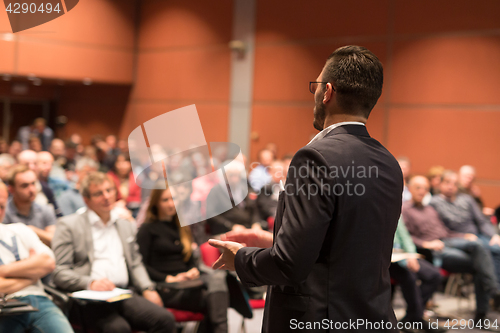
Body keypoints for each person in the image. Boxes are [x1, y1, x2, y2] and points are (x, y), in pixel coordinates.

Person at [209, 45, 403, 332]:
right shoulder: (388, 162)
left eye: (315, 86)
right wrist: (277, 240)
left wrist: (241, 259)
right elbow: (348, 246)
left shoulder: (314, 157)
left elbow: (290, 266)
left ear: (327, 92)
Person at [51, 172, 176, 333]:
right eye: (98, 194)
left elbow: (135, 262)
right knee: (118, 329)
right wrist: (90, 283)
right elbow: (60, 272)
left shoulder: (125, 224)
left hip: (123, 293)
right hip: (89, 299)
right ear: (86, 200)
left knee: (164, 319)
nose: (106, 197)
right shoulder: (69, 225)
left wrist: (147, 288)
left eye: (109, 190)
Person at [403, 175, 500, 324]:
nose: (422, 191)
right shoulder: (405, 209)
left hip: (448, 241)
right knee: (480, 254)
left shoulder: (429, 209)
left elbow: (446, 232)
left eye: (425, 188)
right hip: (435, 250)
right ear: (410, 188)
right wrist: (426, 244)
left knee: (481, 260)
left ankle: (482, 312)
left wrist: (464, 235)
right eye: (418, 188)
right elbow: (406, 237)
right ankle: (494, 291)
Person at [137, 186, 229, 333]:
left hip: (186, 283)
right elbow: (140, 265)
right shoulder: (147, 229)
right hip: (165, 286)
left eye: (173, 199)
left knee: (218, 281)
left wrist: (192, 270)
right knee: (216, 300)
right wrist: (168, 278)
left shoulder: (181, 227)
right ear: (156, 203)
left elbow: (188, 259)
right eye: (165, 200)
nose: (170, 204)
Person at [0, 181, 74, 333]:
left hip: (39, 300)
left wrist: (3, 271)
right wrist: (31, 272)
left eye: (1, 206)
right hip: (4, 307)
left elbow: (48, 262)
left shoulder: (19, 230)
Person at [390, 217, 443, 333]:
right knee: (410, 277)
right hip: (387, 259)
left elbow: (405, 237)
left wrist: (411, 255)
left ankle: (412, 316)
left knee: (435, 275)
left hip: (403, 254)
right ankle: (417, 318)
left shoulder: (396, 211)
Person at [3, 165, 56, 246]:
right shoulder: (3, 212)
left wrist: (32, 230)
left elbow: (54, 240)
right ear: (11, 189)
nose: (32, 190)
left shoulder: (45, 209)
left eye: (33, 183)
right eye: (25, 186)